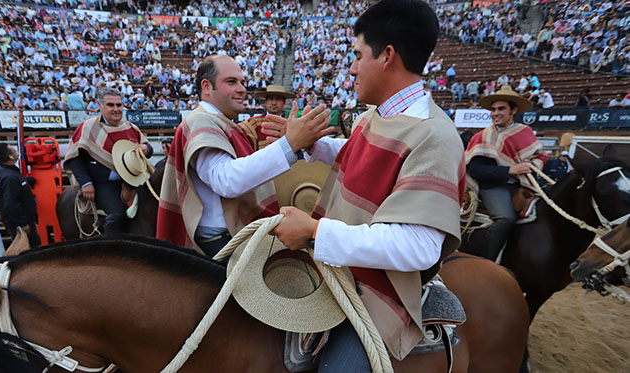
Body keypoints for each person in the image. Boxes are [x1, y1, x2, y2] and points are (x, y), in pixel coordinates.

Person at [272, 0, 465, 370]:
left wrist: (314, 231)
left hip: (375, 291)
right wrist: (311, 144)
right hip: (339, 266)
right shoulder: (375, 114)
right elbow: (365, 156)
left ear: (387, 56)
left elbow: (420, 248)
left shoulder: (435, 137)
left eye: (358, 55)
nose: (352, 66)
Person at [156, 55, 334, 258]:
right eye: (231, 82)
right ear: (206, 87)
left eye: (242, 82)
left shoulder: (218, 121)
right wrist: (291, 144)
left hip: (233, 237)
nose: (242, 89)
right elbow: (227, 181)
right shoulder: (200, 122)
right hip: (224, 244)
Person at [465, 86, 547, 262]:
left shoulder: (525, 132)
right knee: (505, 219)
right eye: (493, 109)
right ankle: (487, 263)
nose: (495, 113)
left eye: (501, 108)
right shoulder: (482, 136)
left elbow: (540, 156)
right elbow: (476, 170)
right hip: (493, 186)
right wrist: (510, 170)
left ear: (513, 110)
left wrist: (530, 166)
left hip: (522, 184)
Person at [64, 88, 153, 234]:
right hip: (104, 183)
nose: (116, 109)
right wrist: (86, 183)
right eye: (110, 105)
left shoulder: (131, 127)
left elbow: (148, 148)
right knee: (117, 214)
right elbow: (74, 158)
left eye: (119, 105)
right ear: (100, 106)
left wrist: (146, 148)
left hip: (135, 180)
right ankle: (110, 246)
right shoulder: (88, 127)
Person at [0, 143, 41, 248]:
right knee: (29, 249)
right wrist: (22, 223)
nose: (16, 153)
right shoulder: (9, 177)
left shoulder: (9, 171)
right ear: (9, 156)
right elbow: (11, 203)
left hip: (24, 219)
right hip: (20, 223)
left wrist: (26, 182)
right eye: (14, 151)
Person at [238, 85, 296, 150]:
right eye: (271, 99)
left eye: (278, 99)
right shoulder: (253, 123)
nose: (274, 103)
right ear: (266, 102)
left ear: (284, 103)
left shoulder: (289, 126)